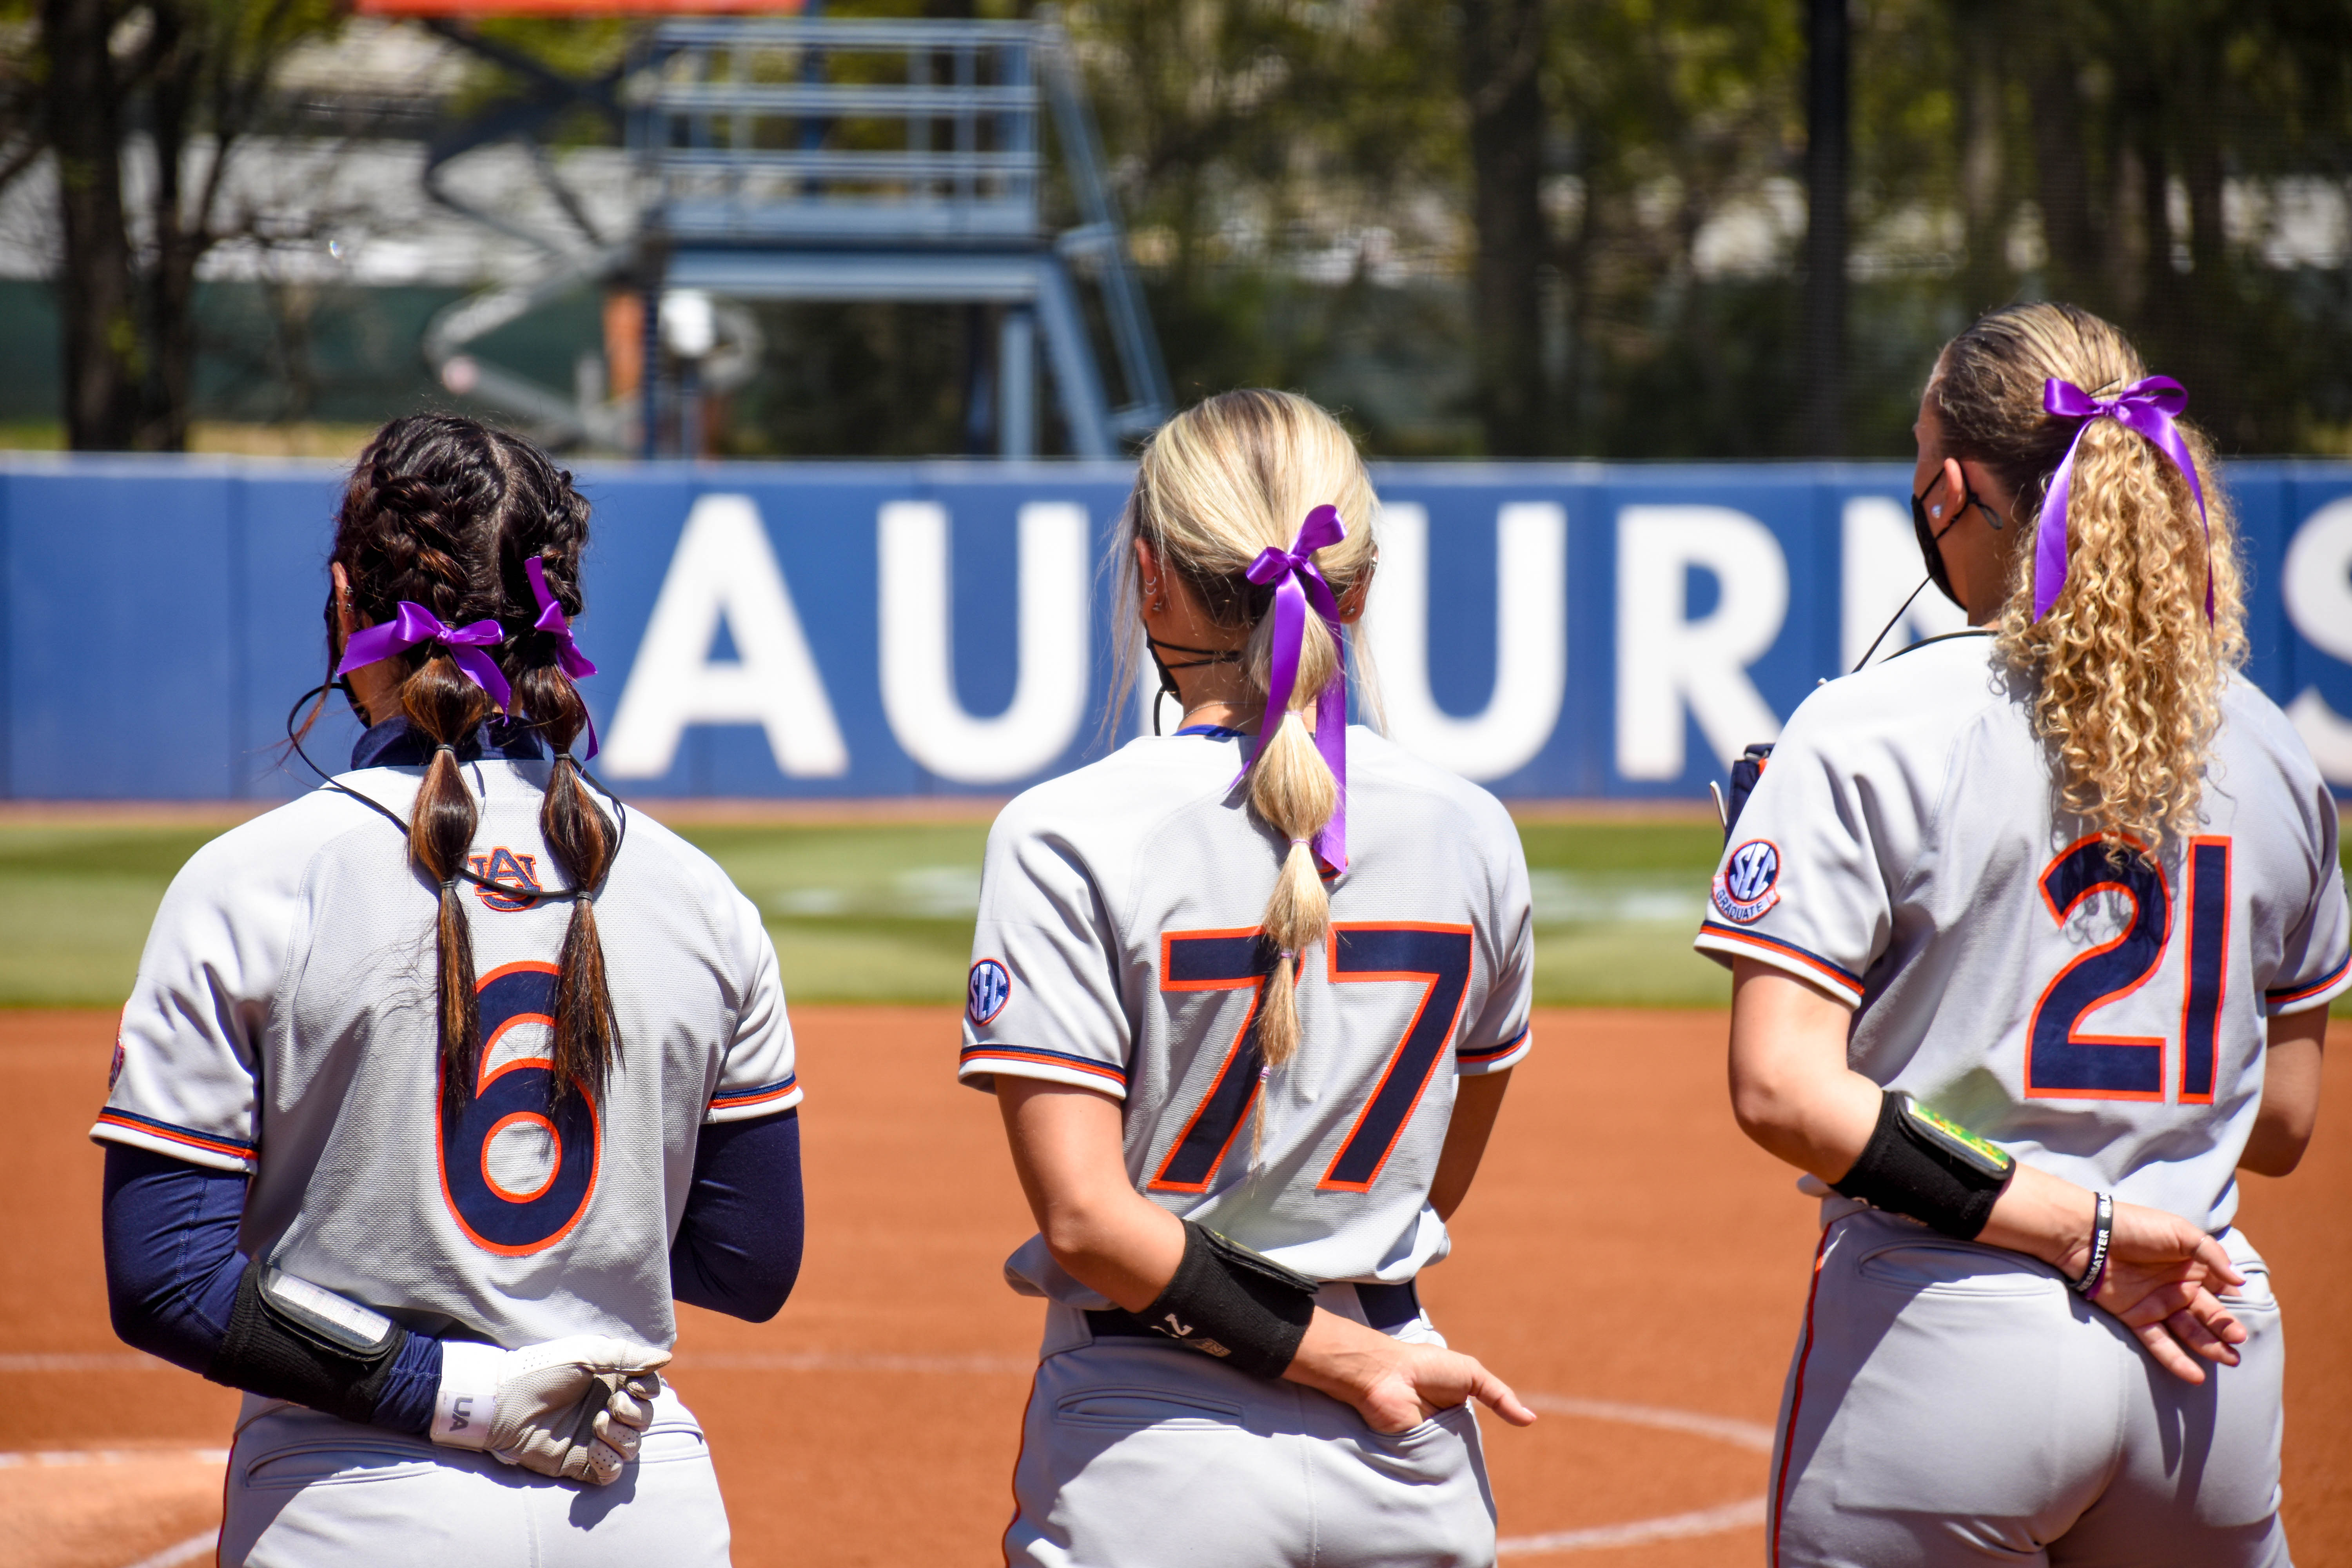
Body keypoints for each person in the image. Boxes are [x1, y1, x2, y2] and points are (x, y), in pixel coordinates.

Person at [93, 415, 806, 1566]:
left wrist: (450, 1375)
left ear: (344, 601)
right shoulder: (701, 896)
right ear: (558, 619)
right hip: (636, 1498)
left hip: (357, 1495)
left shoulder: (252, 881)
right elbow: (750, 1260)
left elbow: (168, 1275)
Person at [1697, 303, 2345, 1566]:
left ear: (1950, 488)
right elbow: (2280, 1125)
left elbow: (1782, 1089)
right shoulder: (2273, 749)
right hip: (2204, 1348)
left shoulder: (1868, 725)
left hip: (1946, 1329)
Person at [957, 389, 1539, 1568]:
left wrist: (1330, 1359)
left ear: (1149, 577)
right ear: (1361, 587)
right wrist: (1356, 1349)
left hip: (1151, 1429)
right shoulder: (1473, 831)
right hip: (1406, 1437)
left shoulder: (1065, 831)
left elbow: (1085, 1219)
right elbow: (1438, 1176)